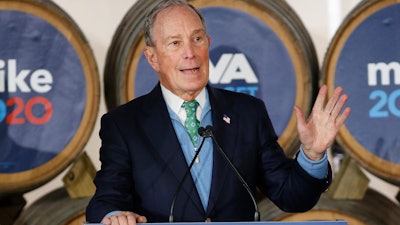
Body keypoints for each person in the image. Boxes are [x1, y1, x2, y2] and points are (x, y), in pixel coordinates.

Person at [86, 0, 351, 224]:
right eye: (175, 43)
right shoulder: (124, 124)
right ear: (152, 57)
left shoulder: (248, 113)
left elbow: (291, 196)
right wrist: (115, 215)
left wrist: (313, 154)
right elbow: (107, 198)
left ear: (208, 44)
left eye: (197, 39)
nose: (190, 53)